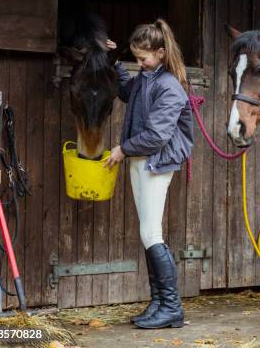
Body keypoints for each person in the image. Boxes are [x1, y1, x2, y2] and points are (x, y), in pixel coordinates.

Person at [104, 19, 193, 329]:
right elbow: (126, 91)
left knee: (151, 233)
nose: (139, 64)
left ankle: (172, 307)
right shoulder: (146, 77)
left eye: (142, 58)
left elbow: (156, 135)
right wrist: (114, 60)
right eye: (136, 59)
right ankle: (158, 302)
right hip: (141, 160)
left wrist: (122, 149)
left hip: (155, 161)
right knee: (147, 233)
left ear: (159, 52)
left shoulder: (169, 86)